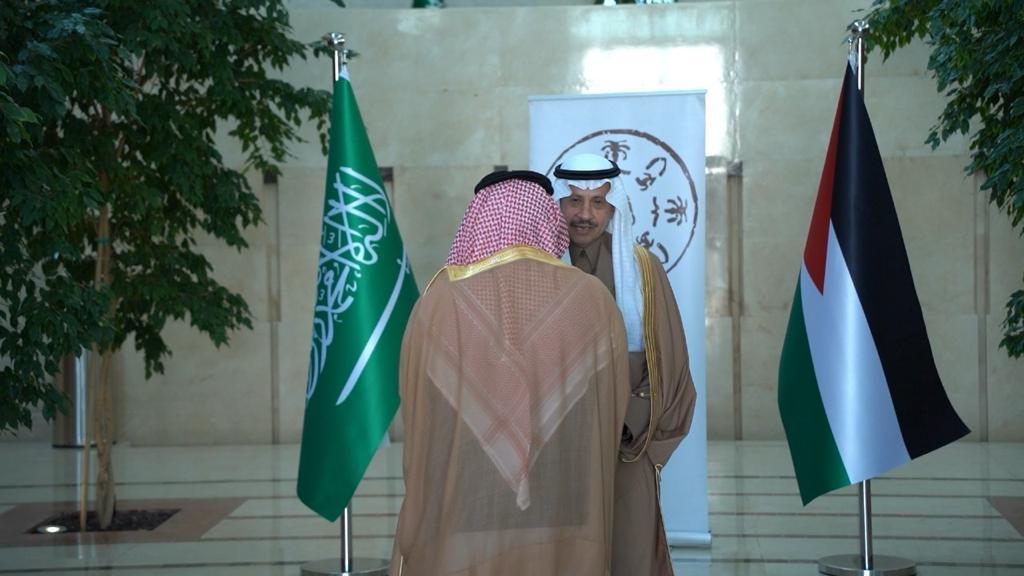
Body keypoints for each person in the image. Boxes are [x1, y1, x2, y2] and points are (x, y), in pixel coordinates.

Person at [391, 170, 630, 576]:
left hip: (466, 504)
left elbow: (418, 410)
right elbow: (610, 405)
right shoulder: (593, 298)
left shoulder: (439, 301)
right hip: (562, 503)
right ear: (547, 220)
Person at [553, 153, 698, 576]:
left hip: (626, 443)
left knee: (627, 549)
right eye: (574, 200)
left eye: (598, 202)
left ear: (614, 207)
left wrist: (627, 421)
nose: (585, 214)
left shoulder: (643, 271)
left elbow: (669, 361)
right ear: (557, 204)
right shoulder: (536, 270)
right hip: (554, 446)